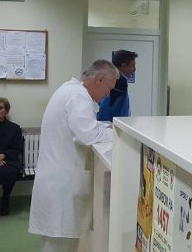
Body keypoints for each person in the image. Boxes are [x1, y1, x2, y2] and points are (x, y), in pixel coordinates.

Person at [29, 60, 116, 252]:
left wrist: (105, 127)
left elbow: (82, 126)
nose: (108, 95)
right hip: (61, 186)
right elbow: (88, 135)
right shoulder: (78, 96)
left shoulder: (70, 90)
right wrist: (117, 134)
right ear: (100, 79)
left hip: (56, 182)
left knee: (56, 244)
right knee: (60, 246)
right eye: (109, 88)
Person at [96, 50, 138, 122]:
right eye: (132, 65)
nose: (134, 69)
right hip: (111, 125)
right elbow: (107, 108)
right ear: (123, 66)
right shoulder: (119, 81)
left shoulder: (111, 78)